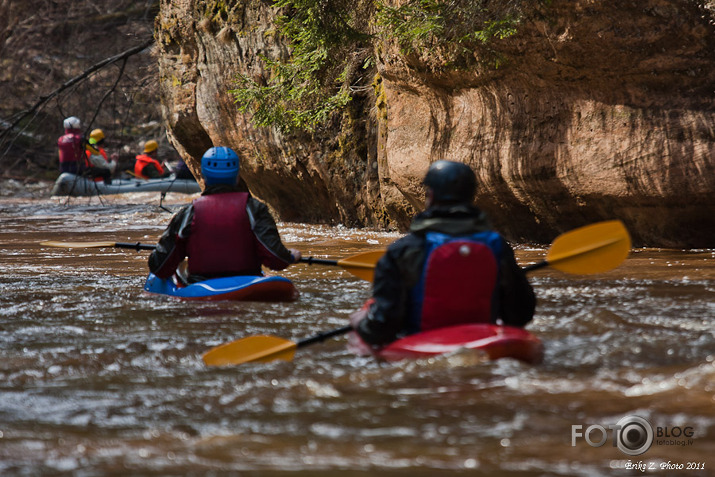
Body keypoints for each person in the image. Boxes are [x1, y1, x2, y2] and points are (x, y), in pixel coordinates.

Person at [350, 160, 536, 349]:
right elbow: (520, 314)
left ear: (430, 195)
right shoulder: (497, 246)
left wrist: (359, 322)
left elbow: (382, 327)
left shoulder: (404, 250)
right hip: (484, 343)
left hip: (422, 347)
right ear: (470, 195)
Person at [147, 146, 302, 283]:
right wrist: (290, 256)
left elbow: (159, 266)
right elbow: (276, 259)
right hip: (248, 283)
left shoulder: (188, 213)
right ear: (237, 176)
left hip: (201, 288)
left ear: (204, 176)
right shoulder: (254, 208)